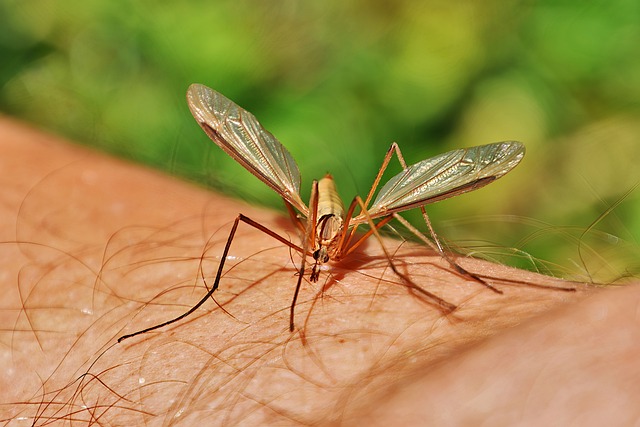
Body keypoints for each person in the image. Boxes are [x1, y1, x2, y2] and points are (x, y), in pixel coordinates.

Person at [1, 117, 637, 425]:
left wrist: (447, 283)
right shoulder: (303, 226)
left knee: (396, 202)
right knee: (252, 206)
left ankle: (458, 275)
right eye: (315, 258)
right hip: (315, 204)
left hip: (356, 212)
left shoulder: (358, 228)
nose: (318, 267)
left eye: (319, 260)